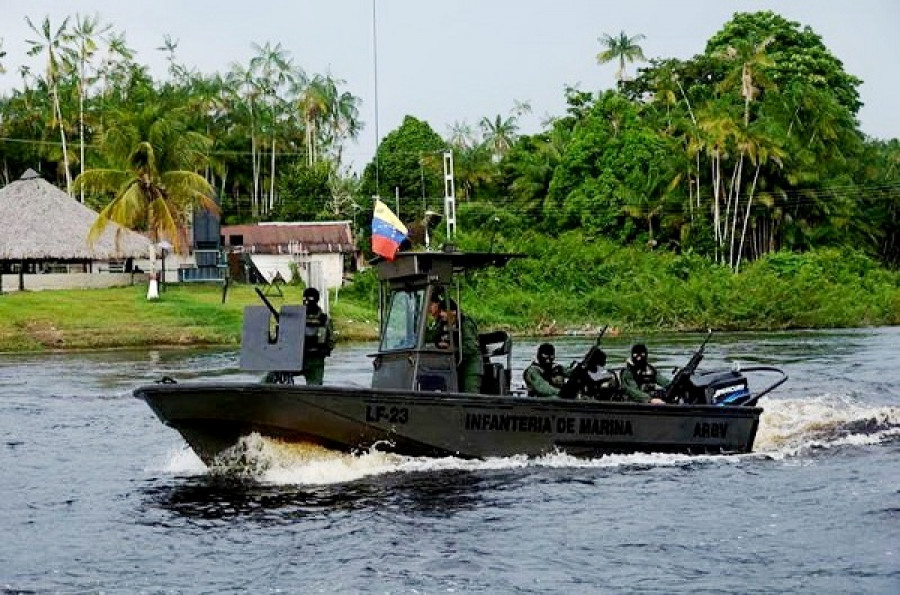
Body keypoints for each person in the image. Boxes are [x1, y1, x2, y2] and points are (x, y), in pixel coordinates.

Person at [425, 293, 483, 393]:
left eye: (444, 311)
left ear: (453, 312)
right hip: (454, 365)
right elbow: (432, 337)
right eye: (441, 311)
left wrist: (452, 348)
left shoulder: (465, 323)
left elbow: (471, 348)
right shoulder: (443, 323)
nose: (441, 314)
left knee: (470, 395)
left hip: (470, 367)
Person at [298, 287, 335, 385]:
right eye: (305, 300)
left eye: (308, 300)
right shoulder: (297, 317)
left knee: (314, 388)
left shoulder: (324, 319)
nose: (306, 303)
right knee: (271, 377)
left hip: (315, 360)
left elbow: (331, 341)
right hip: (296, 358)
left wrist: (324, 350)